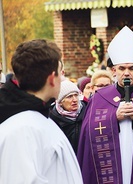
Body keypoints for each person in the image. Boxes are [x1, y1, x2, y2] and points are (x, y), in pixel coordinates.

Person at [77, 26, 133, 184]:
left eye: (131, 68)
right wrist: (113, 117)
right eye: (122, 68)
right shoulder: (98, 98)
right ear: (113, 71)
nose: (127, 73)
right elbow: (87, 133)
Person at [0, 39, 83, 184]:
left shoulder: (38, 117)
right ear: (52, 79)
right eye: (59, 73)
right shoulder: (22, 130)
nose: (62, 79)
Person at [49, 80, 87, 154]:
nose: (75, 100)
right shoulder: (52, 118)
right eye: (69, 97)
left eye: (76, 95)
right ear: (60, 102)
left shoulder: (87, 111)